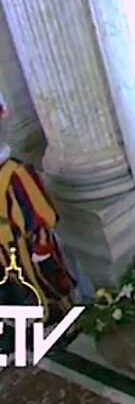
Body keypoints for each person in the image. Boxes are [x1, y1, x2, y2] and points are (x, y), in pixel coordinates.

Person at [0, 92, 80, 327]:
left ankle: (62, 323)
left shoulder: (17, 172)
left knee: (47, 285)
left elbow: (44, 214)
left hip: (27, 246)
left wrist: (42, 246)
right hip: (4, 253)